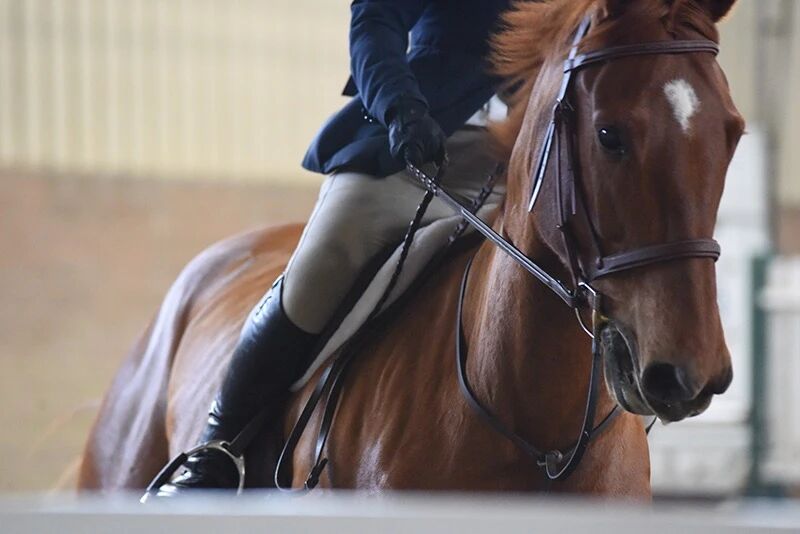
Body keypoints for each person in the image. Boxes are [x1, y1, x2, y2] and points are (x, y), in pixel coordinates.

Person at [152, 0, 510, 496]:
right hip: (418, 146)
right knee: (331, 254)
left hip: (534, 169)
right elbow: (377, 19)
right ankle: (219, 448)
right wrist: (400, 106)